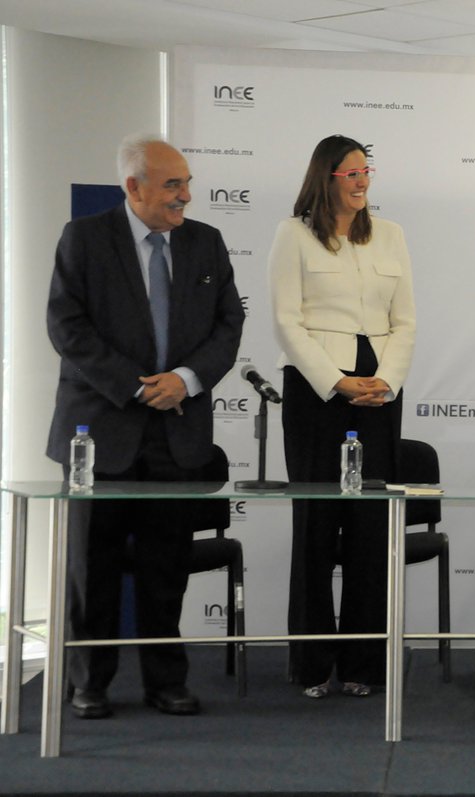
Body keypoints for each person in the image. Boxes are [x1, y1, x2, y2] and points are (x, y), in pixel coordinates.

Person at [46, 134, 245, 719]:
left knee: (166, 567)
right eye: (172, 185)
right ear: (133, 187)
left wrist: (185, 378)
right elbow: (67, 326)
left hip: (176, 430)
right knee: (92, 566)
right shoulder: (84, 238)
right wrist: (136, 386)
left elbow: (229, 325)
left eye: (187, 183)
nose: (186, 195)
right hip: (98, 434)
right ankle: (89, 682)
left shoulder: (206, 242)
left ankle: (166, 681)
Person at [269, 134, 416, 699]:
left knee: (369, 529)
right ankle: (311, 665)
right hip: (316, 392)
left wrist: (387, 381)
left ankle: (363, 664)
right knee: (315, 525)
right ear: (325, 177)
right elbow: (287, 321)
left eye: (365, 172)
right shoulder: (293, 234)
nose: (361, 181)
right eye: (350, 173)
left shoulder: (390, 234)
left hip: (378, 389)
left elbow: (405, 321)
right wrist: (334, 381)